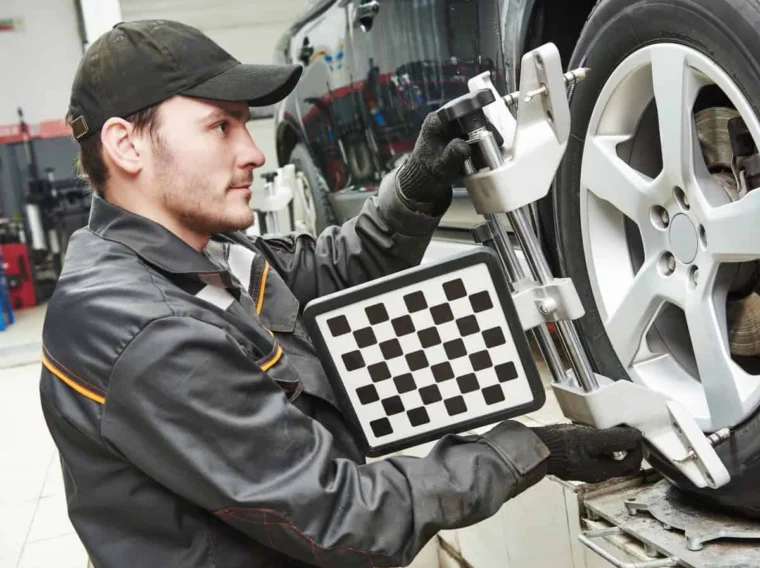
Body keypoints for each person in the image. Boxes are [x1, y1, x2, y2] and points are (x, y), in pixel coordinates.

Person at [40, 20, 643, 568]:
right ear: (126, 145)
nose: (251, 151)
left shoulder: (200, 253)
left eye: (245, 125)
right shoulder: (145, 330)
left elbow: (324, 271)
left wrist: (417, 182)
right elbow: (345, 518)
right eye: (219, 126)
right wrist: (523, 448)